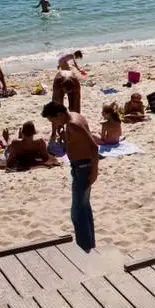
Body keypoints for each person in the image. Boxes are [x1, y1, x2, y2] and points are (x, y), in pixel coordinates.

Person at [41, 101, 99, 251]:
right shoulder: (74, 116)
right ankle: (89, 244)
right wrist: (63, 136)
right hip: (80, 167)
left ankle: (83, 248)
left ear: (59, 114)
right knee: (84, 207)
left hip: (83, 168)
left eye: (53, 120)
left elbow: (93, 146)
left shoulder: (73, 124)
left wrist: (94, 172)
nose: (54, 123)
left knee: (77, 211)